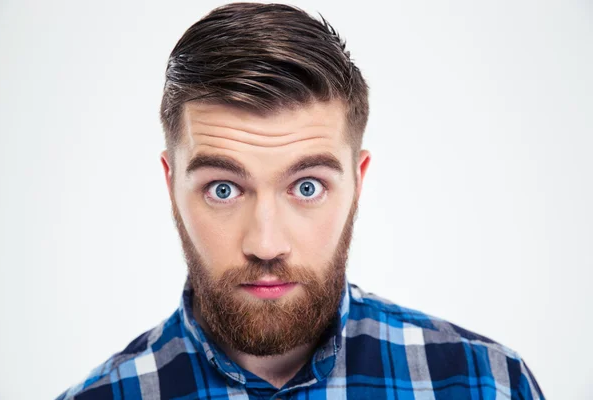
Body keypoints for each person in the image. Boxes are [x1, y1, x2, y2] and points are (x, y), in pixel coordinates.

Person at [57, 3, 545, 399]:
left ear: (357, 183)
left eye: (307, 186)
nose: (266, 245)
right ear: (171, 187)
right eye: (222, 189)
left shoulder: (488, 384)